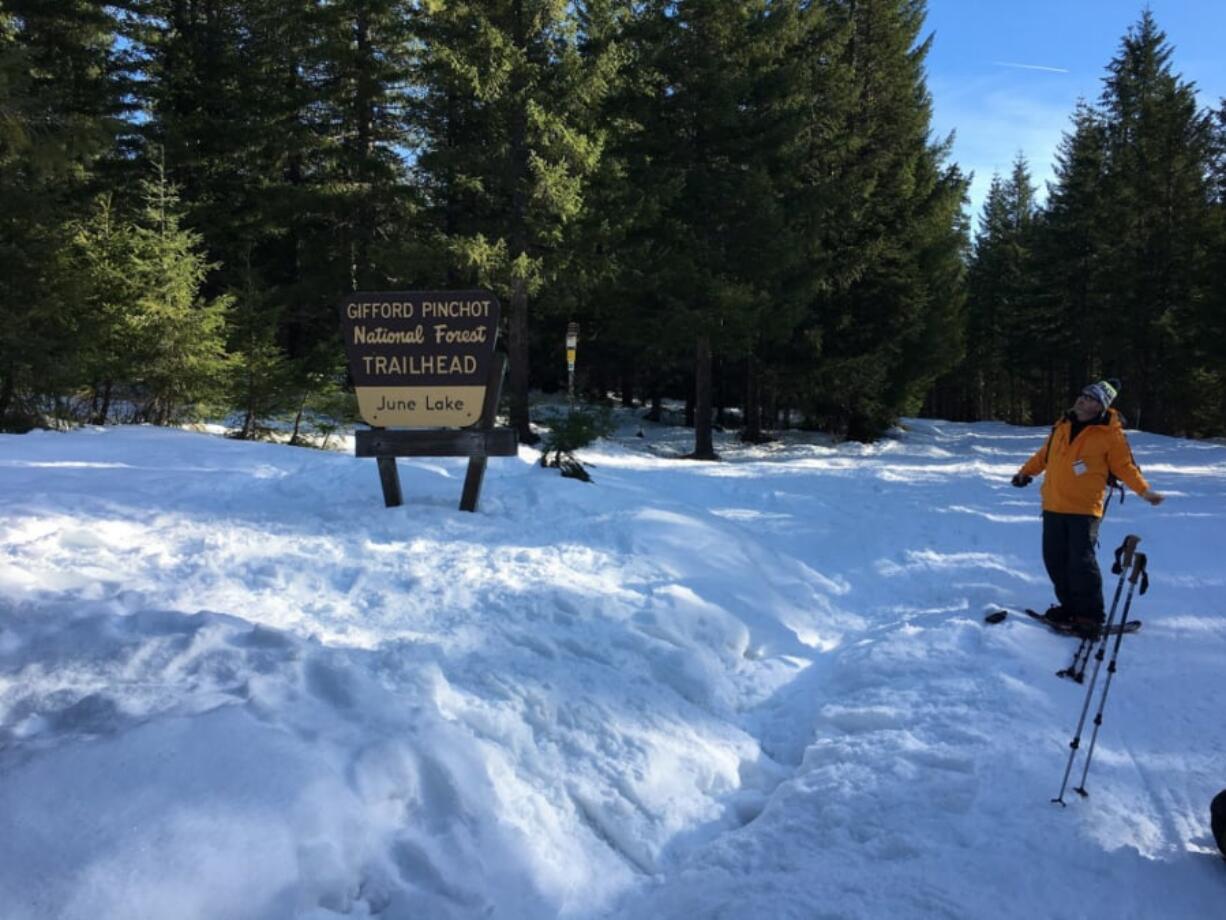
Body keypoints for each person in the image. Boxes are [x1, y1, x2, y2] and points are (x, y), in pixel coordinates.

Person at [1011, 379, 1164, 636]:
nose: (1083, 400)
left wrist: (1144, 491)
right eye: (1083, 395)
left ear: (1101, 407)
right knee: (1055, 560)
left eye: (1091, 398)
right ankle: (1069, 607)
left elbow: (1124, 467)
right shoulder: (1063, 424)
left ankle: (1090, 616)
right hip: (1053, 504)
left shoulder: (1110, 434)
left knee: (1081, 563)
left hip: (1083, 509)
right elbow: (1045, 455)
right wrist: (1025, 473)